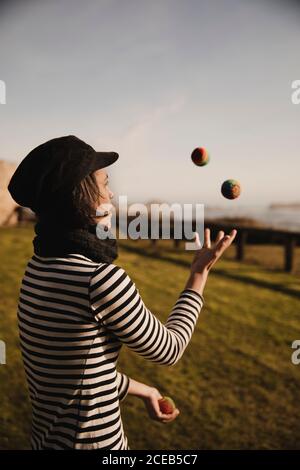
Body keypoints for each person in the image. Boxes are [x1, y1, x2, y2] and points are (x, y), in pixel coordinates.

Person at [8, 135, 237, 450]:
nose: (112, 193)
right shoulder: (99, 280)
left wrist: (145, 391)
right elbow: (169, 349)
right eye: (104, 183)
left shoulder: (38, 268)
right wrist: (198, 274)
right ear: (79, 197)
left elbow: (72, 374)